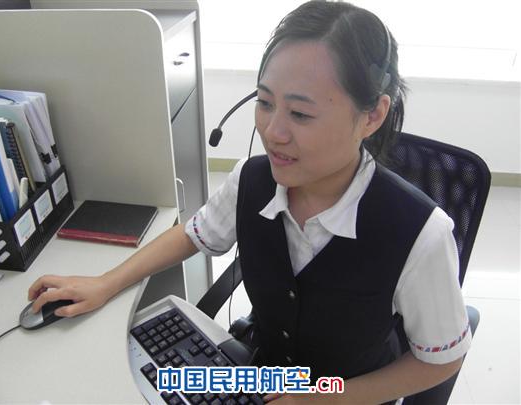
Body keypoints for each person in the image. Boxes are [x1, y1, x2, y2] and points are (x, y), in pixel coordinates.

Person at [28, 1, 471, 403]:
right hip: (263, 378)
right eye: (264, 102)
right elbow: (192, 236)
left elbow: (443, 359)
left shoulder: (421, 233)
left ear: (372, 115)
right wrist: (106, 283)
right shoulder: (252, 180)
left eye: (300, 114)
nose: (272, 132)